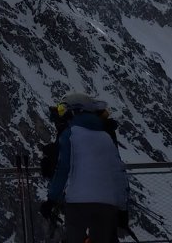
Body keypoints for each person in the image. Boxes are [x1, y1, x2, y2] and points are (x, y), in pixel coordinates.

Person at [45, 92, 129, 243]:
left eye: (63, 110)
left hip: (77, 204)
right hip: (107, 204)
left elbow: (62, 170)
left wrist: (51, 200)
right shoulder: (106, 137)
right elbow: (119, 176)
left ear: (74, 111)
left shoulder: (70, 134)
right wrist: (123, 210)